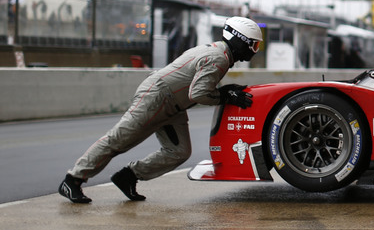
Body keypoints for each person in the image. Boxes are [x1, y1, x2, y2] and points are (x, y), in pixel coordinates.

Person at [58, 16, 263, 204]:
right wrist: (226, 96)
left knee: (179, 152)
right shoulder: (219, 58)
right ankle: (73, 179)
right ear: (241, 40)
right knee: (118, 140)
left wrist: (224, 92)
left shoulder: (218, 52)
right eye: (253, 45)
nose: (254, 50)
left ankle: (128, 176)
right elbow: (198, 94)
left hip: (172, 104)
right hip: (157, 98)